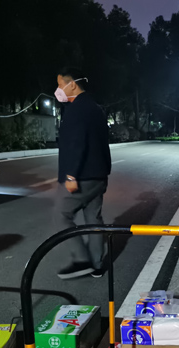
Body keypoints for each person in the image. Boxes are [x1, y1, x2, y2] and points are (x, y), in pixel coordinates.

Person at [53, 67, 111, 280]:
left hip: (82, 176)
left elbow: (77, 144)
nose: (58, 89)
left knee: (60, 215)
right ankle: (97, 265)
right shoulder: (95, 107)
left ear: (72, 85)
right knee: (93, 219)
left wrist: (71, 175)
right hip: (98, 175)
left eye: (60, 84)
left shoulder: (76, 109)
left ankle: (81, 260)